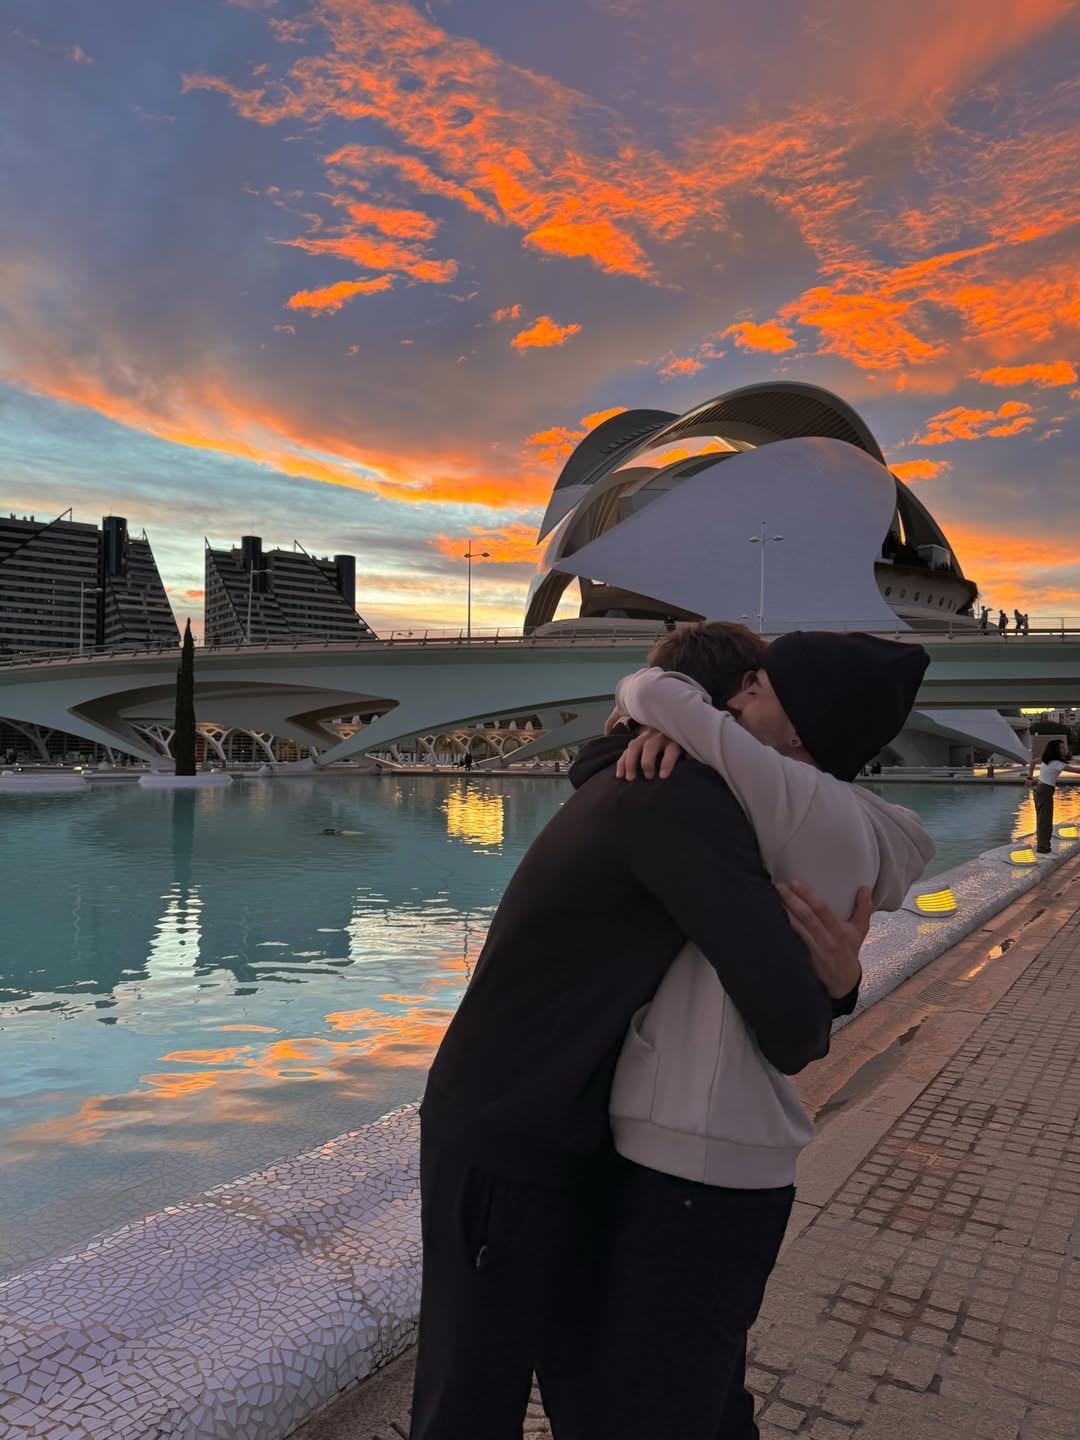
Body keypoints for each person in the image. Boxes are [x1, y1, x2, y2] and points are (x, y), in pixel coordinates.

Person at [409, 623, 861, 1439]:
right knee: (470, 1402)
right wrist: (838, 981)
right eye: (755, 695)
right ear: (723, 711)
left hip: (553, 1125)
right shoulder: (674, 796)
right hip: (509, 1135)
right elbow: (792, 1028)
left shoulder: (642, 779)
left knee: (579, 1386)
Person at [587, 631, 932, 1437]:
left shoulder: (789, 798)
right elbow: (913, 835)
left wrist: (671, 720)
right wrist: (843, 984)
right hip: (748, 1160)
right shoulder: (857, 820)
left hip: (689, 1156)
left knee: (657, 1406)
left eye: (758, 689)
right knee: (709, 1394)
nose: (737, 700)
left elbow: (655, 688)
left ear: (803, 727)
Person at [1028, 739, 1080, 853]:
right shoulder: (1057, 763)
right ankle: (1043, 847)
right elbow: (1077, 770)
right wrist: (1030, 778)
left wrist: (1030, 778)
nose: (1064, 749)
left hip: (1039, 789)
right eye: (1061, 747)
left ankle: (1042, 845)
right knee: (1045, 820)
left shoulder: (1046, 759)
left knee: (1041, 818)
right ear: (1055, 749)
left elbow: (1032, 762)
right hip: (1045, 790)